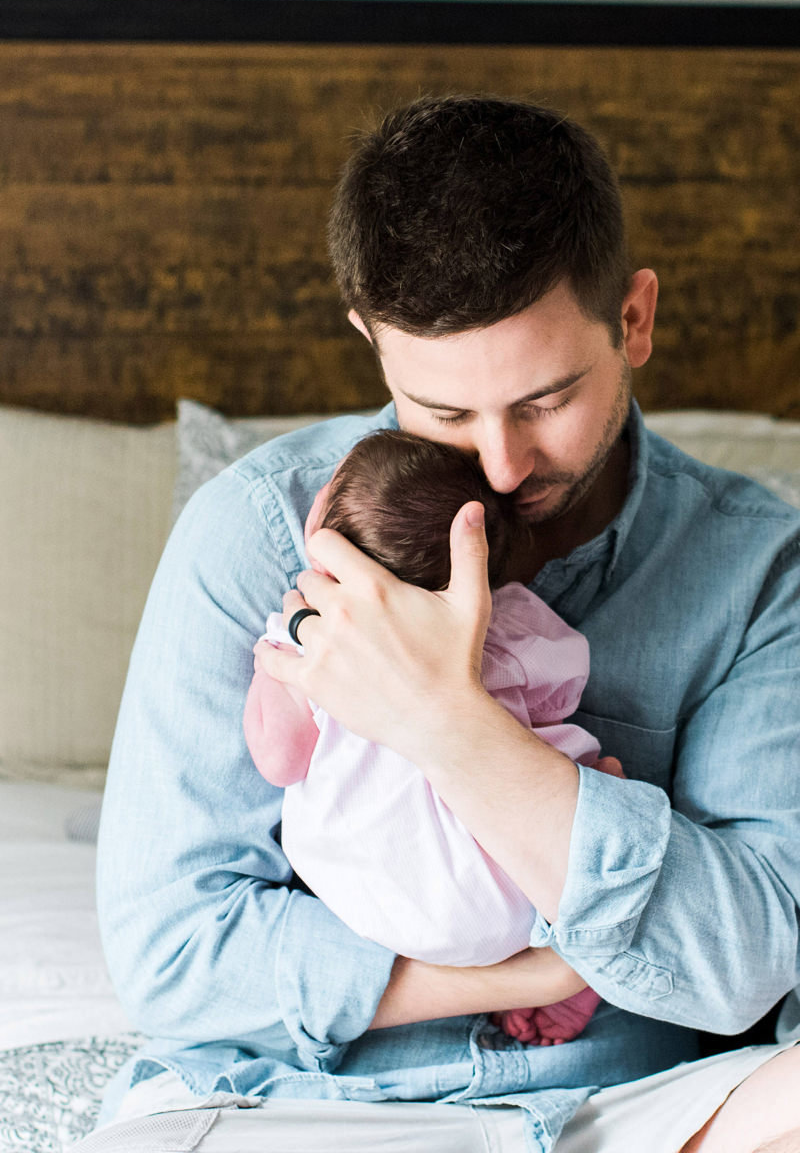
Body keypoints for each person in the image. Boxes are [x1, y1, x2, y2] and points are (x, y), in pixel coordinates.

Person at [85, 95, 800, 1153]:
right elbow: (174, 952)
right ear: (372, 346)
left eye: (545, 398)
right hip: (296, 1106)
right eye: (447, 415)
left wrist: (448, 727)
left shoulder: (752, 567)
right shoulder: (253, 534)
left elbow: (749, 953)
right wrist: (538, 974)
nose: (503, 467)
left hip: (643, 1114)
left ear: (633, 320)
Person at [244, 428, 625, 1047]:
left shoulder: (306, 639)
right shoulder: (513, 621)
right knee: (573, 775)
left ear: (321, 533)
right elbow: (564, 686)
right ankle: (572, 963)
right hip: (508, 900)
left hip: (356, 892)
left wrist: (270, 669)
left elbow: (280, 759)